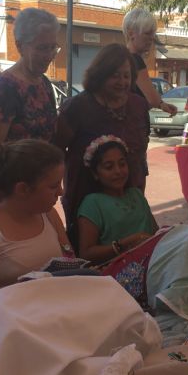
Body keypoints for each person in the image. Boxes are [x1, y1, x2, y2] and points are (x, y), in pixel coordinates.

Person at [0, 140, 71, 316]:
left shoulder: (49, 215)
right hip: (11, 324)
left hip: (55, 312)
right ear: (23, 189)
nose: (61, 192)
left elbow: (69, 260)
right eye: (53, 186)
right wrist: (27, 291)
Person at [53, 43, 150, 247]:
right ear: (100, 74)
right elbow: (57, 149)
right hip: (86, 191)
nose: (122, 81)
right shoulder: (78, 107)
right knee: (89, 249)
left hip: (129, 188)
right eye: (115, 75)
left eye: (127, 75)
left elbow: (142, 149)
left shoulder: (139, 105)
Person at [77, 135, 157, 264]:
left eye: (122, 164)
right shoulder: (92, 203)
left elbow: (155, 233)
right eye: (109, 167)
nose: (118, 171)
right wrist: (124, 244)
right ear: (95, 174)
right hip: (117, 272)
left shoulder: (136, 194)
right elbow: (86, 254)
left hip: (151, 262)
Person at [0, 8, 59, 142]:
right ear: (19, 46)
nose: (49, 55)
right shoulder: (5, 87)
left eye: (53, 47)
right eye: (42, 48)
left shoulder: (44, 82)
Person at [123, 8, 177, 116]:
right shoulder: (135, 60)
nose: (152, 38)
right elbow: (152, 99)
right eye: (147, 33)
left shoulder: (121, 58)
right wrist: (161, 104)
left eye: (153, 34)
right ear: (131, 34)